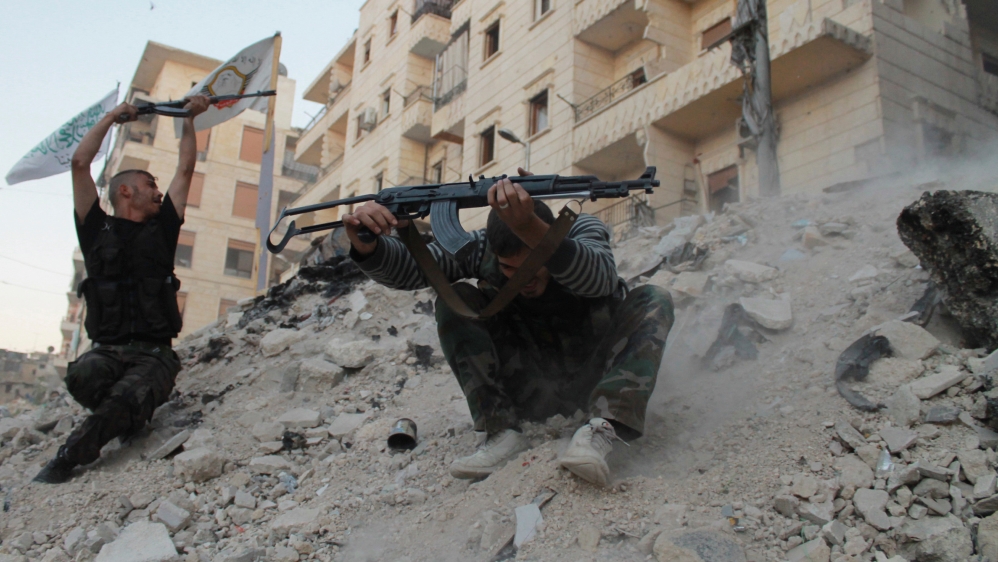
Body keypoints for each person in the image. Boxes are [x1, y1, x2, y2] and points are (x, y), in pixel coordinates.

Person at [343, 169, 674, 486]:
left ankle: (602, 429)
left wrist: (532, 229)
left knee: (653, 298)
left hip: (595, 378)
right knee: (455, 299)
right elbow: (414, 269)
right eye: (509, 269)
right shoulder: (480, 247)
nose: (523, 279)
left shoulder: (579, 229)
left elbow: (599, 278)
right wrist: (369, 247)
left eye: (532, 266)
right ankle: (501, 431)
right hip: (531, 389)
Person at [33, 96, 210, 484]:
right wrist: (113, 118)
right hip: (108, 352)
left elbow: (186, 167)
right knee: (83, 374)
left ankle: (69, 457)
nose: (159, 192)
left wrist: (188, 119)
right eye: (151, 185)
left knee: (129, 394)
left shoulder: (163, 228)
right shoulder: (95, 229)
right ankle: (126, 414)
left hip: (154, 355)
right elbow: (80, 164)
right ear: (126, 191)